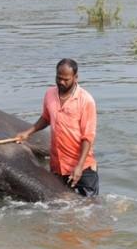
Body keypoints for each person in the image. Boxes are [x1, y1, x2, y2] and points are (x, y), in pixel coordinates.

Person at [15, 58, 99, 197]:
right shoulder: (50, 94)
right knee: (61, 207)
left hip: (82, 167)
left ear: (75, 77)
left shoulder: (86, 100)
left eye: (66, 79)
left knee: (89, 208)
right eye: (58, 78)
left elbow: (88, 137)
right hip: (58, 165)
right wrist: (28, 133)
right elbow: (46, 117)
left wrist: (79, 167)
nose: (61, 82)